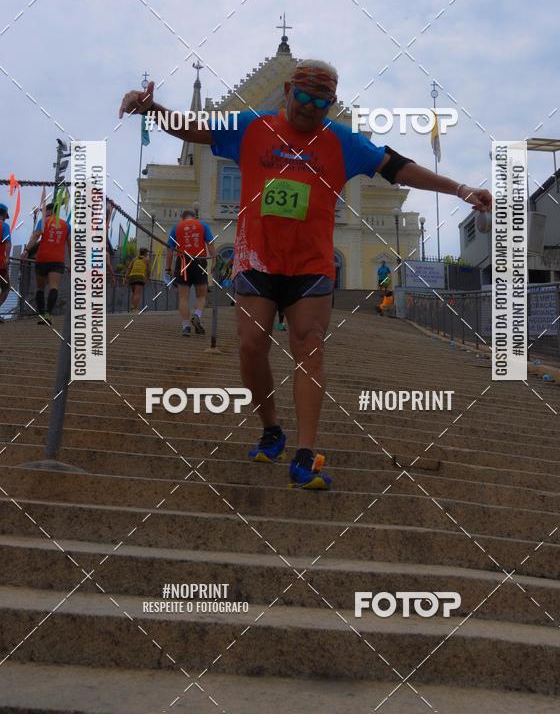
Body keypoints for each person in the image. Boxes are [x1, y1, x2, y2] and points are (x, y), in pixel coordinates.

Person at [118, 60, 492, 490]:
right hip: (257, 259)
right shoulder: (250, 124)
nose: (310, 108)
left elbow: (399, 166)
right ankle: (271, 426)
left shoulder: (341, 140)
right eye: (304, 97)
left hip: (312, 265)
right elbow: (194, 128)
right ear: (286, 90)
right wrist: (152, 109)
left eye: (322, 101)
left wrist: (462, 190)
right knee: (250, 346)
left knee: (309, 346)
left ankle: (304, 453)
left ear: (331, 104)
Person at [165, 210, 216, 336]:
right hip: (200, 261)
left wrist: (168, 269)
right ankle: (197, 315)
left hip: (182, 261)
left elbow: (170, 251)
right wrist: (214, 262)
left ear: (182, 218)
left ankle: (186, 327)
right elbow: (210, 245)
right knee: (201, 296)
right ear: (194, 217)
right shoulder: (203, 225)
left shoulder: (176, 227)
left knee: (183, 297)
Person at [22, 202, 71, 325]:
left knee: (40, 288)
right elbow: (71, 245)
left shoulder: (44, 221)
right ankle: (48, 314)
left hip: (43, 258)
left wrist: (27, 250)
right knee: (54, 286)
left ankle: (42, 315)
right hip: (58, 260)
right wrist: (72, 264)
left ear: (49, 211)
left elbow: (35, 236)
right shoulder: (66, 225)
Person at [126, 247, 150, 312]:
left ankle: (132, 306)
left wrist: (126, 277)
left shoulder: (134, 259)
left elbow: (129, 268)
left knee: (134, 293)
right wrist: (148, 277)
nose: (147, 254)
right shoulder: (146, 260)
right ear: (145, 253)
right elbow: (148, 270)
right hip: (140, 276)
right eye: (147, 253)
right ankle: (134, 308)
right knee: (137, 293)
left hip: (132, 276)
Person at [0, 204, 11, 322]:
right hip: (0, 262)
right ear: (3, 214)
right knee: (6, 287)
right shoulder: (4, 226)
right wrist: (7, 258)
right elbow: (7, 242)